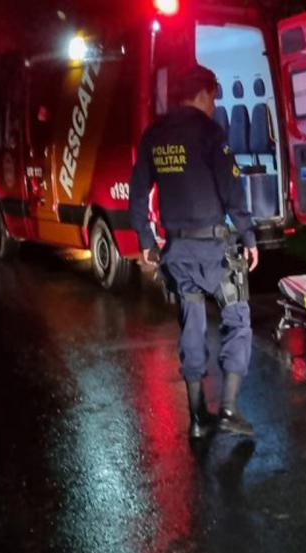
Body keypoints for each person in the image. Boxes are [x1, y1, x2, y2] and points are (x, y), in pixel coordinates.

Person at [129, 64, 259, 440]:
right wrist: (248, 237)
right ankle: (230, 410)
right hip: (215, 250)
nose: (215, 105)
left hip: (178, 250)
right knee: (237, 320)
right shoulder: (209, 132)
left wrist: (147, 242)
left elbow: (138, 194)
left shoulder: (154, 135)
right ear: (202, 93)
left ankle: (198, 418)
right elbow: (232, 192)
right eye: (214, 97)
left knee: (193, 327)